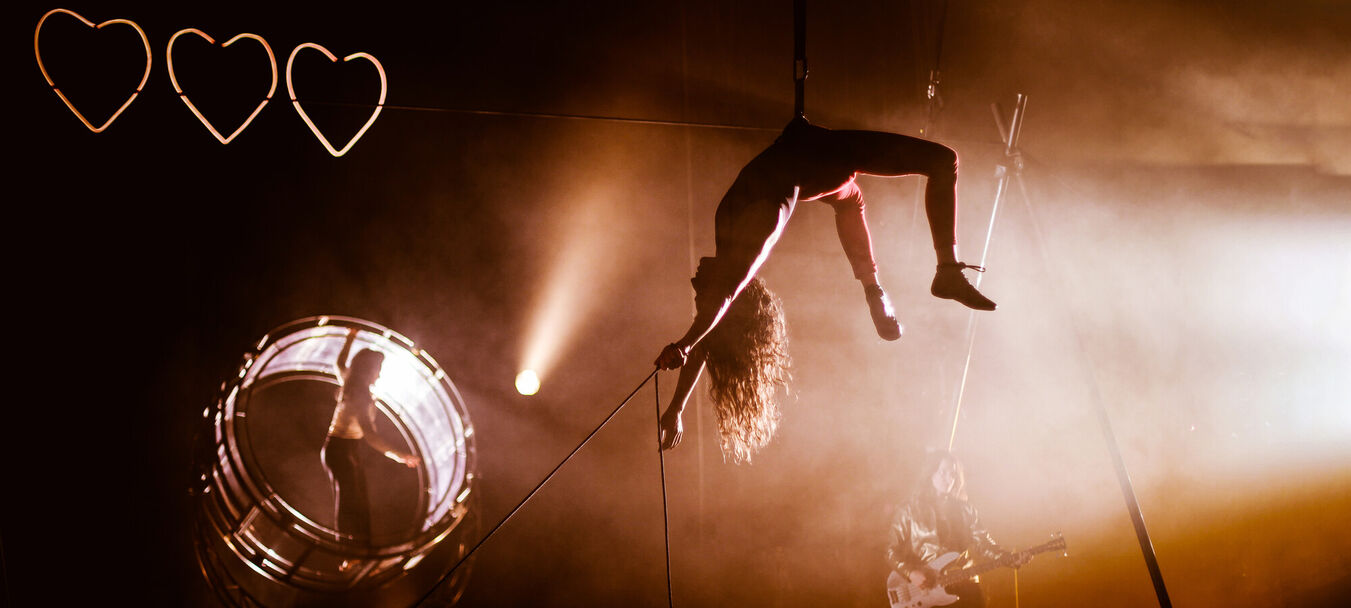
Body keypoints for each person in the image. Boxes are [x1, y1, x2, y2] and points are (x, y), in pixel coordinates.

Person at [658, 275, 790, 462]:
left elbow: (699, 348)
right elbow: (699, 344)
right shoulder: (735, 275)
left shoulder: (728, 283)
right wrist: (682, 347)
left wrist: (676, 409)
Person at [886, 451, 1030, 607]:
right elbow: (891, 550)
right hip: (924, 592)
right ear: (930, 473)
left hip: (963, 587)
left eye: (953, 474)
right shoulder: (909, 509)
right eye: (943, 472)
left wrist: (1008, 557)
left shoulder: (965, 510)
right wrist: (911, 573)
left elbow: (984, 544)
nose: (949, 479)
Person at [321, 328, 419, 547]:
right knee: (350, 500)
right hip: (340, 450)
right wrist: (401, 456)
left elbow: (339, 363)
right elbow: (371, 436)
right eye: (378, 368)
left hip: (344, 450)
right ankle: (349, 550)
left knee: (357, 498)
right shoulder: (359, 394)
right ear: (367, 370)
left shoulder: (351, 384)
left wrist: (350, 338)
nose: (380, 374)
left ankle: (358, 548)